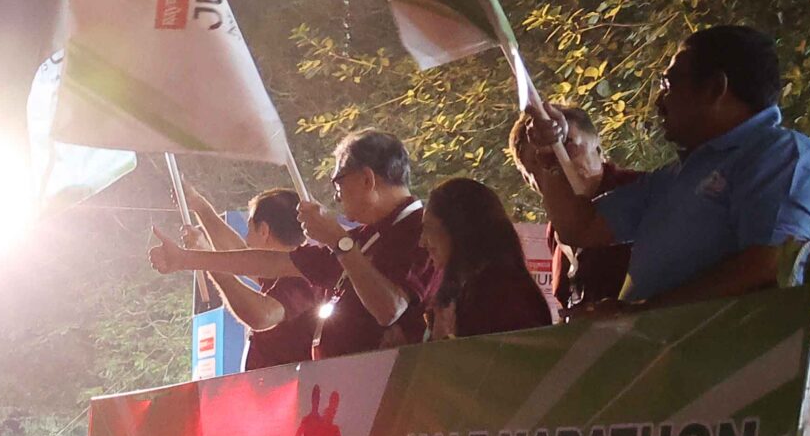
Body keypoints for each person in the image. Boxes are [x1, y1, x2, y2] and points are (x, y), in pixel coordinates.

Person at [526, 25, 810, 312]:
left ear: (715, 88)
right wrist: (550, 154)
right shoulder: (673, 177)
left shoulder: (783, 157)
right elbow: (580, 228)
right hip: (669, 352)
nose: (658, 101)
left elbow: (770, 264)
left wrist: (643, 314)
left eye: (668, 84)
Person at [152, 130, 434, 358]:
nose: (336, 197)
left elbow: (389, 308)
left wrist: (338, 240)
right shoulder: (366, 237)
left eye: (338, 183)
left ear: (367, 179)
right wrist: (187, 259)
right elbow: (271, 262)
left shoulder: (420, 230)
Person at [152, 186, 333, 371]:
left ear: (264, 230)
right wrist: (199, 205)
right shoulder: (292, 271)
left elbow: (262, 315)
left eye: (249, 229)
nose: (246, 239)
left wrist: (204, 259)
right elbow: (236, 252)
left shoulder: (303, 278)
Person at [509, 103, 636, 315]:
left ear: (597, 146)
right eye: (541, 161)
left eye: (565, 145)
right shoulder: (556, 231)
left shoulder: (640, 195)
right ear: (528, 180)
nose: (558, 163)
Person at [420, 177, 556, 340]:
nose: (422, 242)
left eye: (429, 228)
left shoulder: (501, 296)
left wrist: (443, 339)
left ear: (458, 230)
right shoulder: (472, 289)